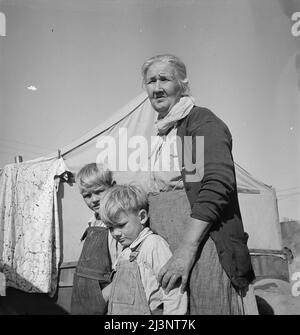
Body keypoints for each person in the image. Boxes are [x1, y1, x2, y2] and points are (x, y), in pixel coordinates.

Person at [141, 54, 257, 314]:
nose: (157, 87)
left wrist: (186, 250)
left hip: (204, 249)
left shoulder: (199, 122)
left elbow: (217, 184)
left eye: (165, 79)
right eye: (150, 81)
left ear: (182, 84)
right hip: (172, 250)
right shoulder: (164, 133)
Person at [99, 184, 187, 315]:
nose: (115, 233)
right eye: (110, 227)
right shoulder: (124, 253)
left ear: (142, 217)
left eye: (121, 225)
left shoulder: (153, 245)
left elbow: (173, 290)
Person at [70, 163, 121, 315]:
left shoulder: (119, 223)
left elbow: (124, 270)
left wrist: (100, 299)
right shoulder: (93, 221)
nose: (94, 200)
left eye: (99, 192)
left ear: (113, 186)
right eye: (87, 195)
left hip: (107, 301)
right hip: (86, 298)